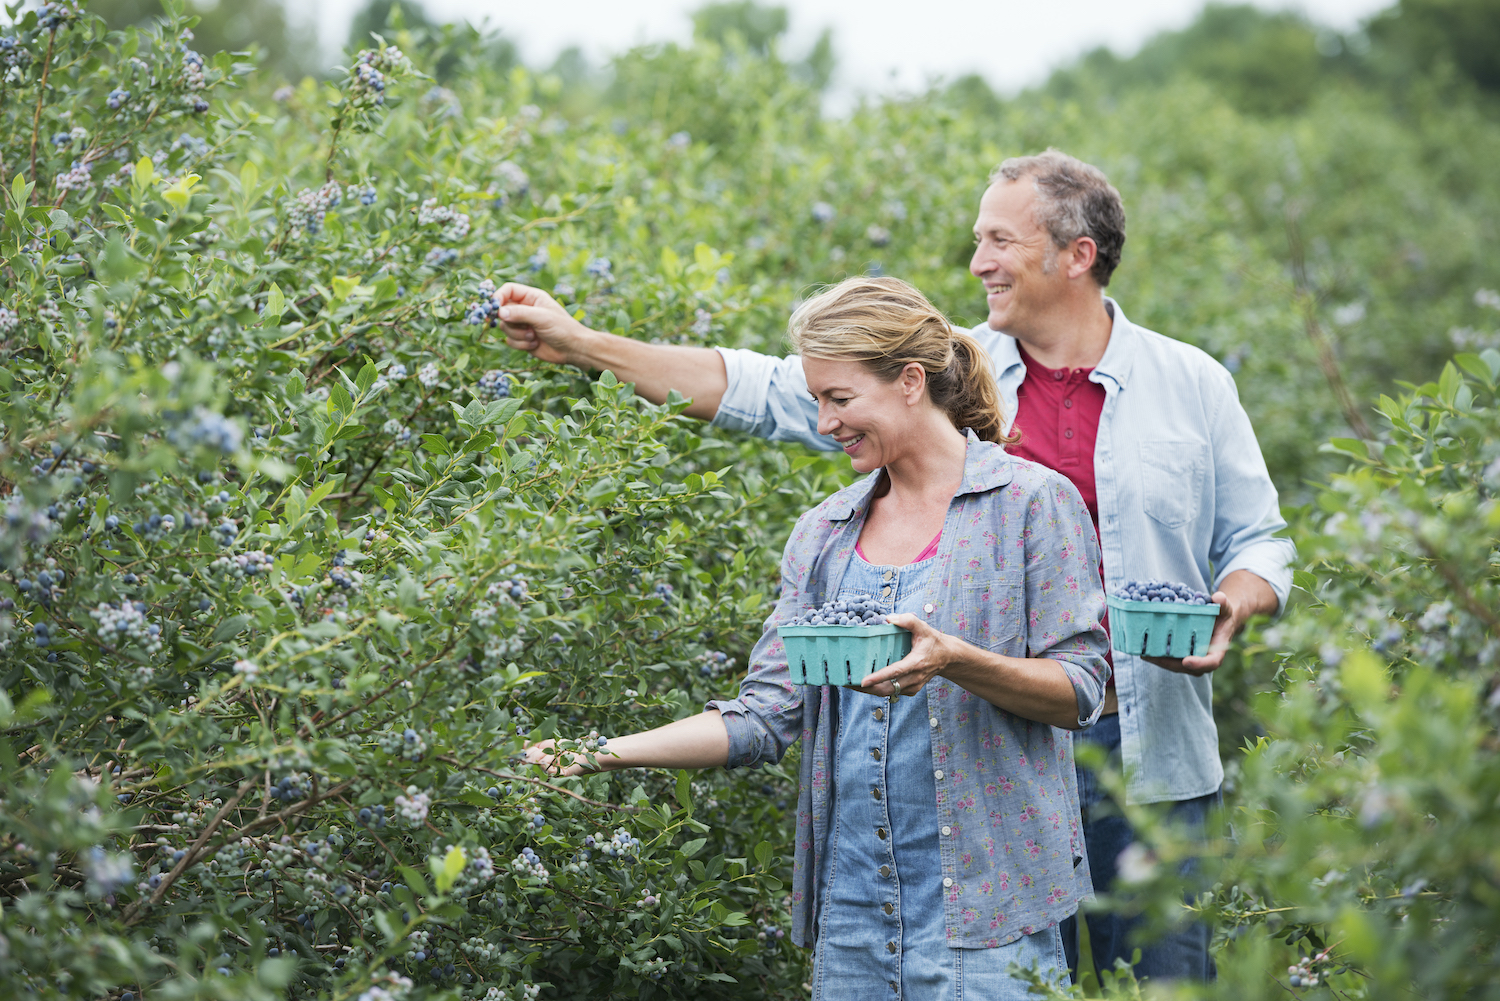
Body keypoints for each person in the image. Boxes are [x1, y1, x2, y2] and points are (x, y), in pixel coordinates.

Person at [498, 150, 1296, 983]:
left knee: (1159, 979)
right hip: (980, 757)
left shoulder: (1185, 385)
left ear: (1077, 253)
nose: (977, 261)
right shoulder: (932, 391)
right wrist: (585, 343)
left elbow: (1260, 538)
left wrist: (1231, 605)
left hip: (1144, 740)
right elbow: (770, 388)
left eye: (999, 239)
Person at [525, 276, 1112, 1000]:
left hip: (991, 912)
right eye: (817, 402)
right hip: (856, 916)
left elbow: (1081, 690)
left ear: (908, 381)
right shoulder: (825, 533)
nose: (827, 422)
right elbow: (765, 715)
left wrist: (955, 659)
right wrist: (589, 754)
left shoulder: (1029, 504)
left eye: (839, 399)